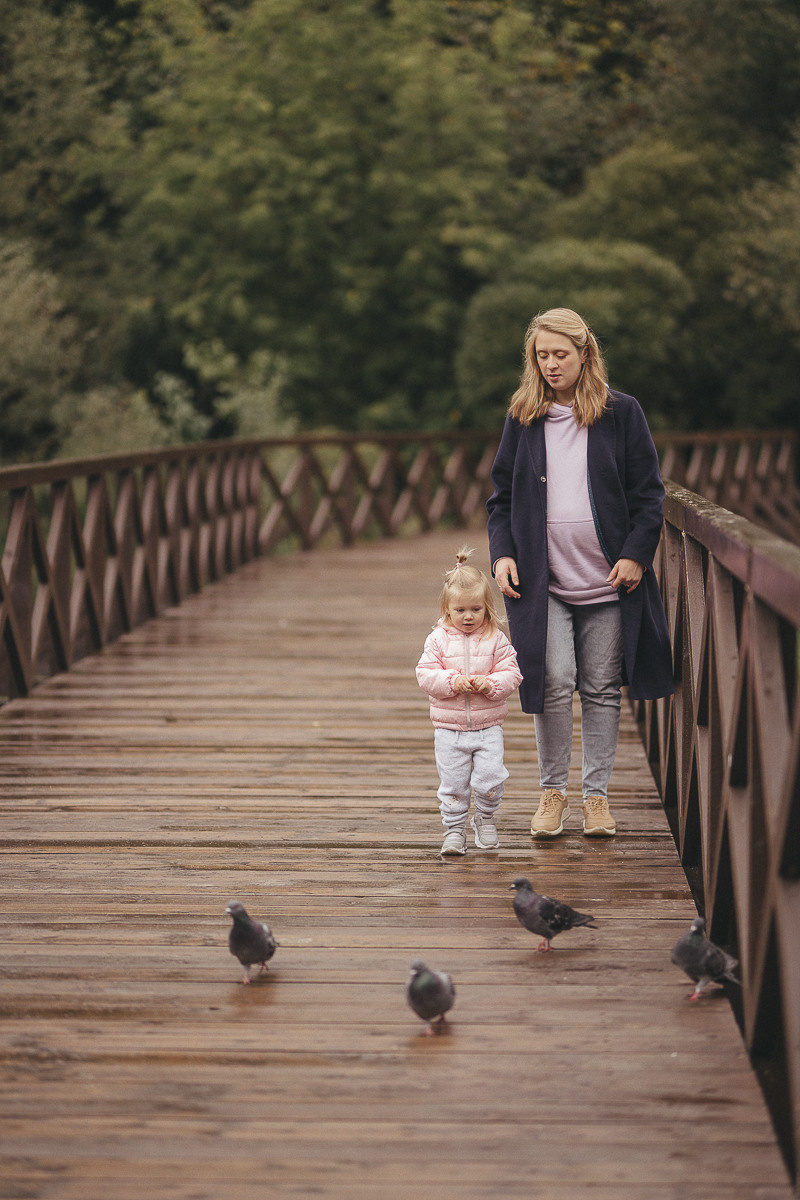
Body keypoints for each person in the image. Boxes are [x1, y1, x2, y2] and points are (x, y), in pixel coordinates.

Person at [486, 307, 673, 839]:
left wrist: (637, 553)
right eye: (541, 355)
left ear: (584, 353)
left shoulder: (621, 412)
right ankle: (552, 794)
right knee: (552, 679)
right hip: (543, 582)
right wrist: (502, 555)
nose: (550, 364)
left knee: (600, 687)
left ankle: (596, 798)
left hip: (610, 580)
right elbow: (500, 498)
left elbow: (649, 494)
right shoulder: (523, 416)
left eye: (560, 354)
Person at [416, 547, 522, 856]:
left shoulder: (495, 639)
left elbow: (511, 673)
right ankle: (454, 829)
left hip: (488, 727)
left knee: (490, 778)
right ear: (447, 609)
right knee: (453, 783)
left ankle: (486, 818)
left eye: (475, 609)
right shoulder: (437, 640)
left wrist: (490, 684)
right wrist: (451, 681)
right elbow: (425, 675)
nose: (468, 616)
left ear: (487, 608)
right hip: (449, 729)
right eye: (460, 610)